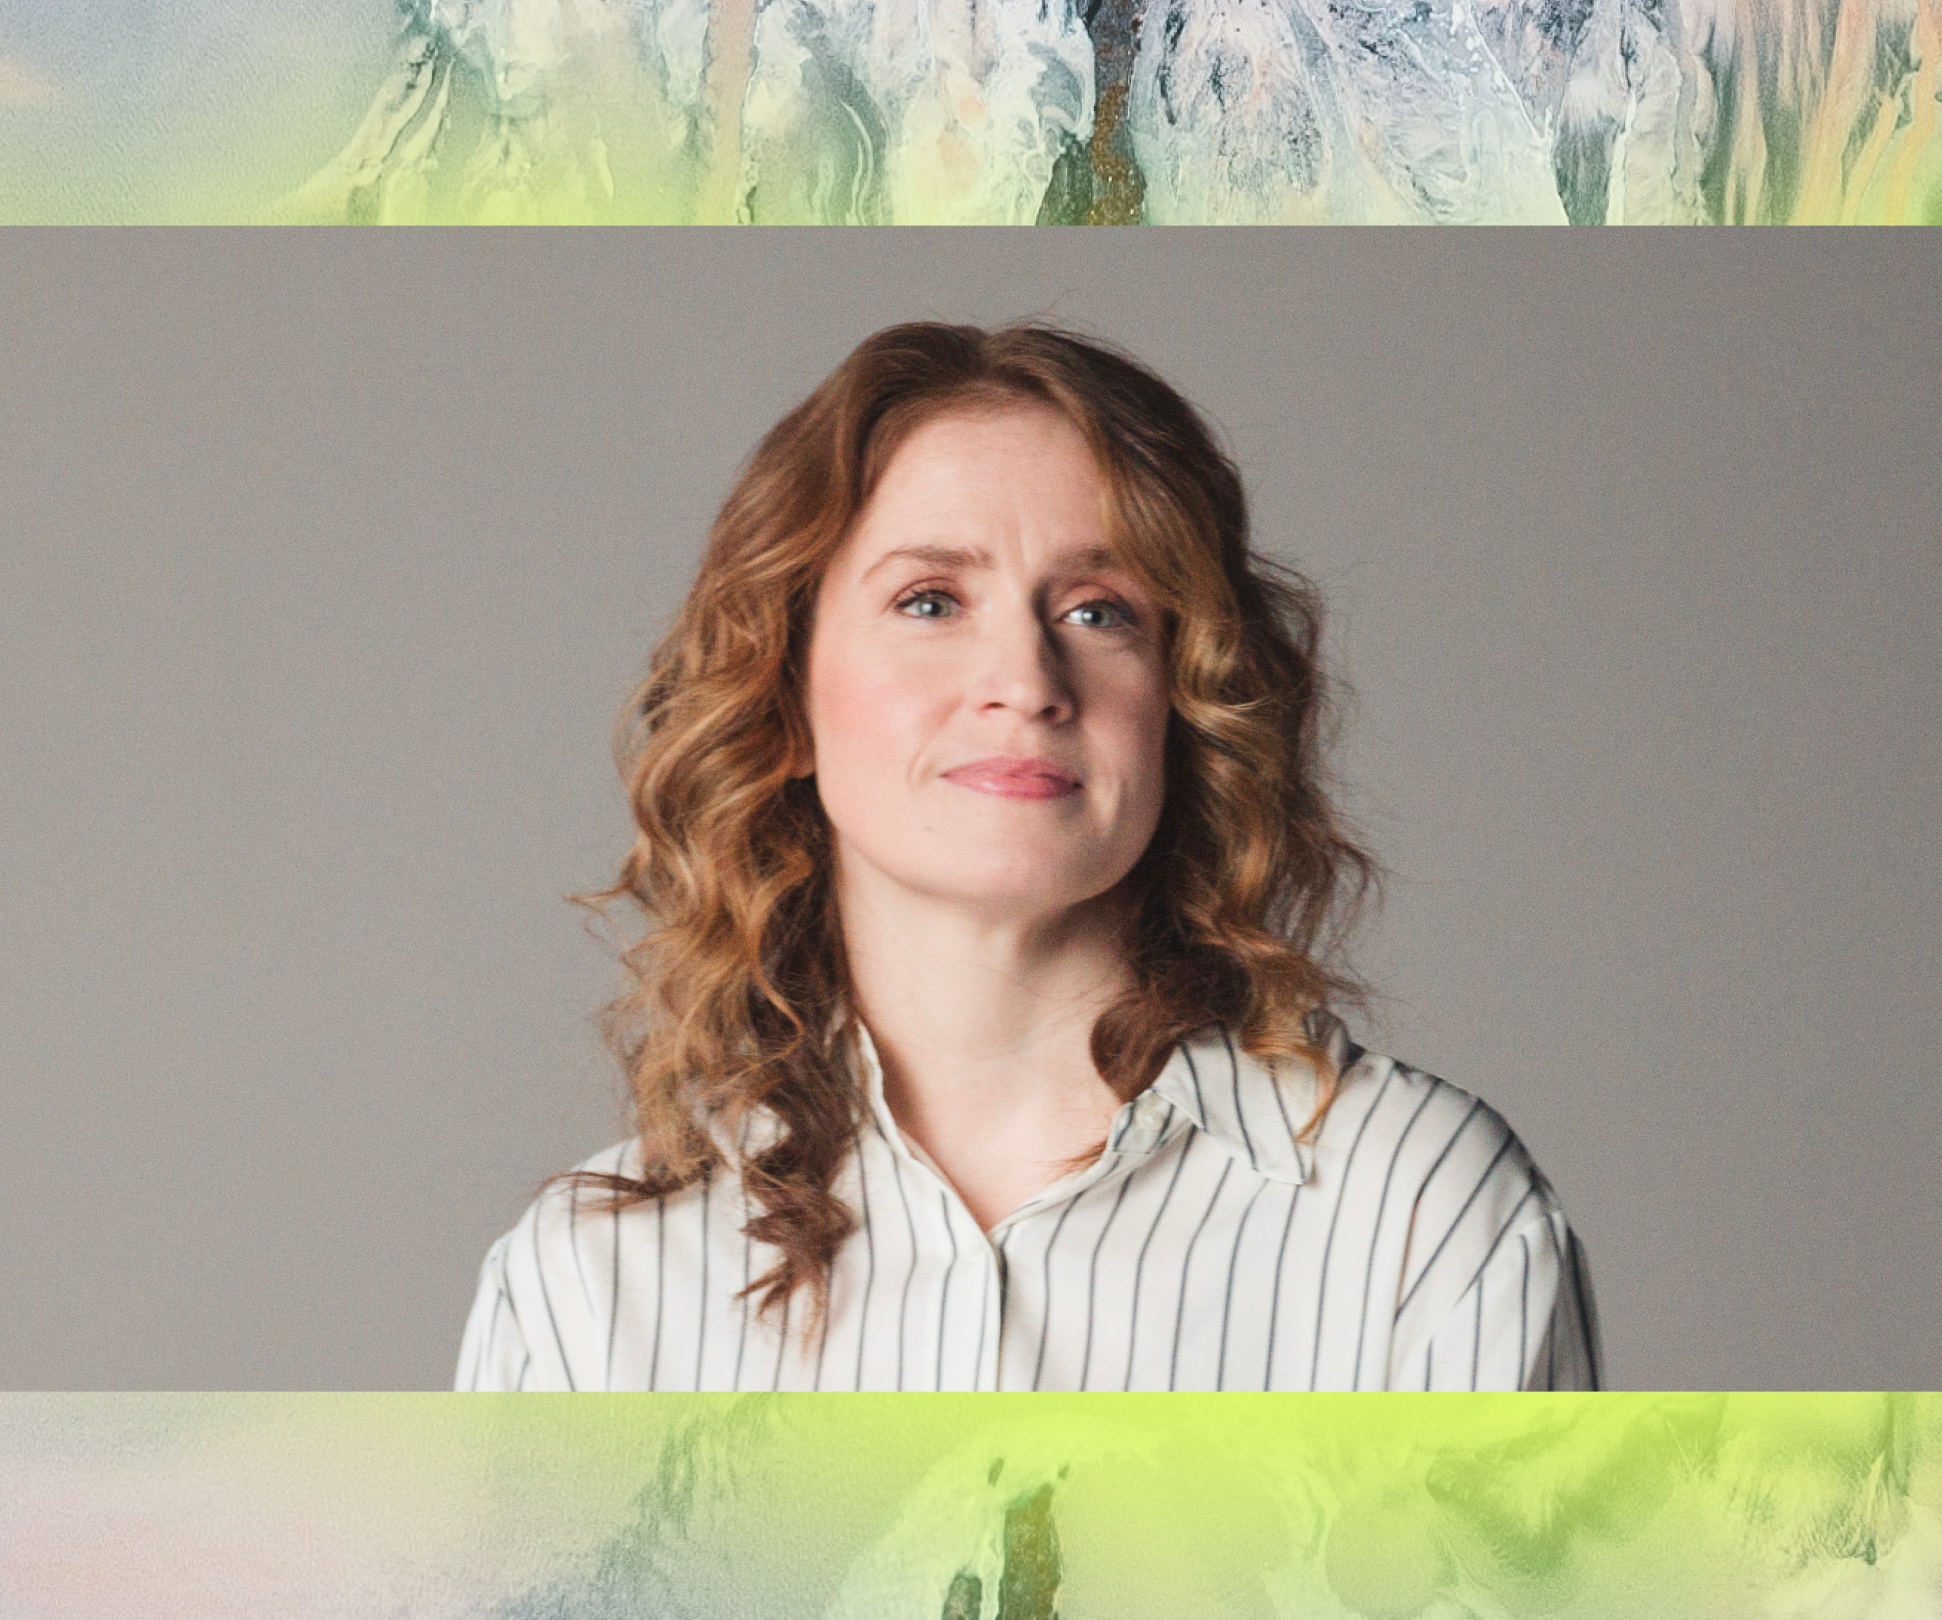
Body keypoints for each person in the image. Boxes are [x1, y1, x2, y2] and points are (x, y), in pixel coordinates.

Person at [458, 320, 1599, 1391]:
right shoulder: (585, 1293)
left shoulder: (1425, 1215)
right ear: (783, 701)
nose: (1025, 681)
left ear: (1184, 700)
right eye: (930, 600)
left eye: (1100, 611)